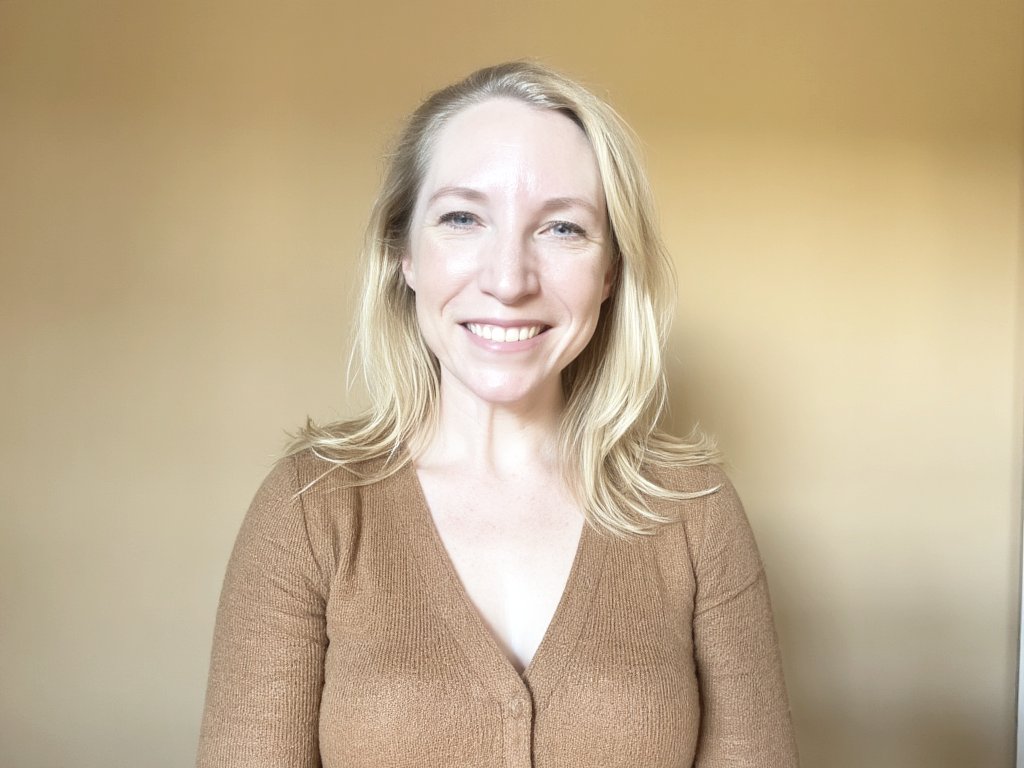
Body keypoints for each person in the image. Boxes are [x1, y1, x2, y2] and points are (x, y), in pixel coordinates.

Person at [196, 61, 799, 768]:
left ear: (610, 271)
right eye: (462, 218)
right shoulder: (310, 510)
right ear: (404, 255)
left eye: (563, 229)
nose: (508, 280)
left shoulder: (695, 513)